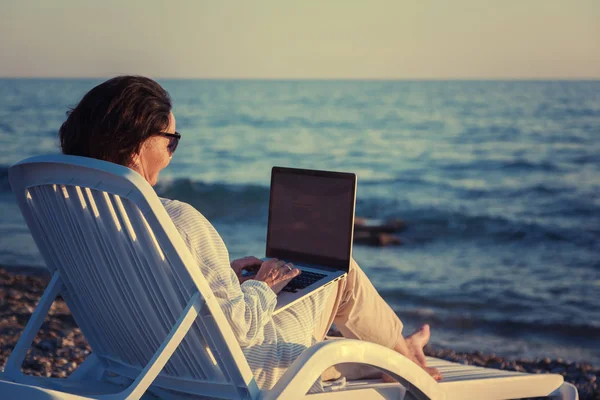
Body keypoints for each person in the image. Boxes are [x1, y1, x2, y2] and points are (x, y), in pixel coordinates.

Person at [58, 76, 441, 391]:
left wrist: (221, 274)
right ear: (138, 146)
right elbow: (240, 328)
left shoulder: (76, 215)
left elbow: (149, 281)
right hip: (239, 377)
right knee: (340, 273)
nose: (173, 152)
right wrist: (262, 284)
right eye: (170, 141)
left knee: (309, 327)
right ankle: (408, 363)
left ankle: (392, 355)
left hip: (148, 363)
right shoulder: (177, 219)